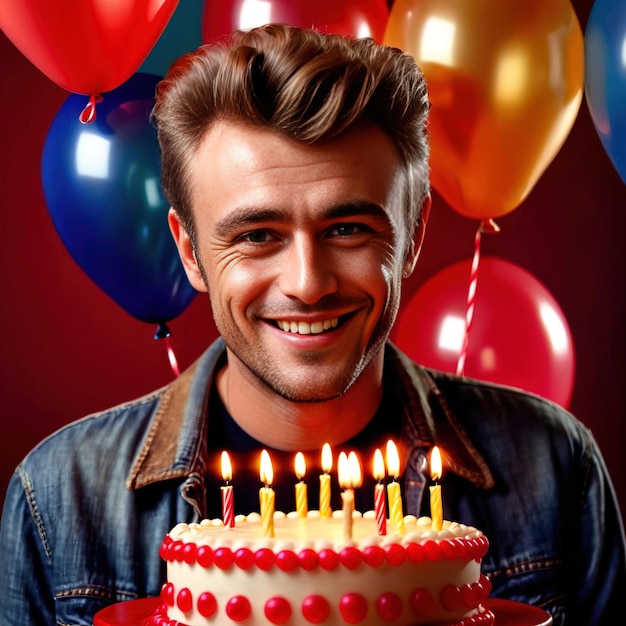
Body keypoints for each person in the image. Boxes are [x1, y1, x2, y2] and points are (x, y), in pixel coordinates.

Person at [1, 23, 624, 626]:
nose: (307, 281)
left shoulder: (555, 467)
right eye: (257, 235)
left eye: (348, 229)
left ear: (413, 237)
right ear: (190, 252)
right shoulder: (57, 499)